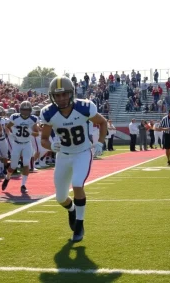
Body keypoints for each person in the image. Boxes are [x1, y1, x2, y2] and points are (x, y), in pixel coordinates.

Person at [40, 76, 107, 243]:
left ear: (72, 94)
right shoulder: (48, 113)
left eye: (64, 94)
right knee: (60, 198)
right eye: (57, 95)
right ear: (52, 96)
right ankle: (71, 210)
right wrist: (50, 146)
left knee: (77, 183)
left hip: (82, 152)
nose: (61, 98)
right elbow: (44, 139)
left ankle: (79, 224)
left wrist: (99, 142)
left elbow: (103, 122)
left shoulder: (84, 107)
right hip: (63, 156)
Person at [2, 101, 39, 193]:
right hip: (16, 144)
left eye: (27, 110)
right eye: (23, 110)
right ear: (20, 110)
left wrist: (30, 131)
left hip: (27, 143)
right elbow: (7, 126)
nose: (25, 112)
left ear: (30, 110)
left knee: (26, 164)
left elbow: (37, 133)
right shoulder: (14, 117)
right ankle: (7, 178)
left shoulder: (33, 119)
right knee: (13, 166)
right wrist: (10, 134)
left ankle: (23, 185)